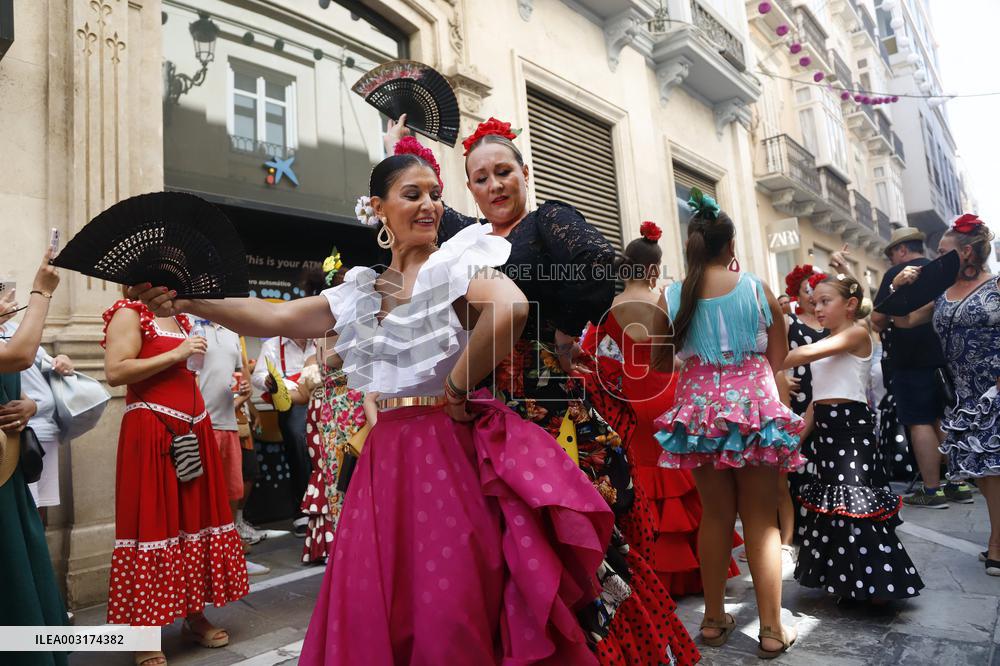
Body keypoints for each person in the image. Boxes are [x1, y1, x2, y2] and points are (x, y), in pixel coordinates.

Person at [128, 142, 616, 665]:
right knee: (383, 594)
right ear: (378, 209)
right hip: (384, 458)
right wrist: (188, 302)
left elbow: (511, 309)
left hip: (447, 449)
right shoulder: (362, 290)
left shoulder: (456, 265)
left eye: (434, 194)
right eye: (412, 195)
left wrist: (454, 387)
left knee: (449, 599)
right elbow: (271, 318)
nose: (429, 205)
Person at [412, 117, 698, 664]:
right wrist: (401, 147)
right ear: (468, 187)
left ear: (525, 172)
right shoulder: (467, 237)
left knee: (563, 541)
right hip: (478, 403)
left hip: (544, 400)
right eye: (480, 178)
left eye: (503, 172)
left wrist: (565, 330)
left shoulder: (547, 221)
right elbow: (421, 209)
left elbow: (597, 270)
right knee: (497, 544)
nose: (494, 185)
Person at [654, 189, 803, 659]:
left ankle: (715, 620)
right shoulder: (757, 289)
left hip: (698, 411)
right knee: (761, 521)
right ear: (730, 245)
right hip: (754, 407)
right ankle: (773, 629)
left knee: (714, 515)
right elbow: (777, 358)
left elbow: (661, 361)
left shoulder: (673, 294)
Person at [581, 222, 741, 598]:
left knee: (642, 484)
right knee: (683, 480)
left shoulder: (610, 307)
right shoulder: (668, 299)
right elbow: (690, 346)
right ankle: (694, 574)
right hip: (670, 393)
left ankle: (652, 574)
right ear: (654, 269)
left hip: (630, 401)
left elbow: (592, 355)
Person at [103, 295, 249, 666]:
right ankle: (145, 632)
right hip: (152, 430)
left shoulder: (180, 317)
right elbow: (116, 371)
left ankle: (194, 616)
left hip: (193, 428)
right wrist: (175, 353)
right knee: (152, 525)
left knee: (192, 523)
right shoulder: (128, 312)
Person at [783, 274, 923, 602]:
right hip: (829, 429)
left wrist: (765, 357)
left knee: (853, 502)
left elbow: (801, 355)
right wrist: (797, 438)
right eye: (813, 301)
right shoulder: (825, 340)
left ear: (849, 305)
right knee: (837, 504)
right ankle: (849, 581)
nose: (817, 307)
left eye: (825, 301)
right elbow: (818, 402)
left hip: (852, 430)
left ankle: (873, 583)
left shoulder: (856, 334)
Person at [891, 214, 999, 575]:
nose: (936, 259)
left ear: (966, 252)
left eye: (943, 252)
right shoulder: (941, 293)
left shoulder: (996, 286)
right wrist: (899, 288)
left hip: (995, 388)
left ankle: (997, 544)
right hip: (963, 393)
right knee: (980, 471)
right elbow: (902, 320)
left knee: (993, 468)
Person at [0, 248, 69, 666]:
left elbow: (15, 382)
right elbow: (21, 355)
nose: (7, 302)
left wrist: (26, 406)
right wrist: (41, 292)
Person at [873, 227, 971, 507]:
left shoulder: (898, 275)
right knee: (943, 418)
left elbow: (878, 319)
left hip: (909, 357)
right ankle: (957, 483)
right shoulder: (942, 270)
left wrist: (892, 317)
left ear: (901, 250)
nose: (893, 260)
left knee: (919, 421)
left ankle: (931, 489)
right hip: (943, 356)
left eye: (892, 254)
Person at [197, 319, 270, 576]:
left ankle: (231, 558)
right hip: (198, 425)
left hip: (229, 423)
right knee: (200, 498)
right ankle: (202, 563)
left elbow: (239, 377)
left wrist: (245, 396)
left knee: (231, 492)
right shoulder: (187, 325)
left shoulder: (231, 331)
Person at [0, 315, 76, 519]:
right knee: (18, 509)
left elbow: (45, 364)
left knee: (39, 507)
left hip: (42, 431)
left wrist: (63, 361)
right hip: (15, 433)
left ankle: (37, 550)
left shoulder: (16, 328)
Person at [252, 333, 316, 536]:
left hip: (320, 397)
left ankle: (326, 507)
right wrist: (273, 383)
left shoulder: (319, 341)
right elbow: (258, 376)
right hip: (291, 400)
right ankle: (302, 512)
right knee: (298, 443)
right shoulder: (272, 344)